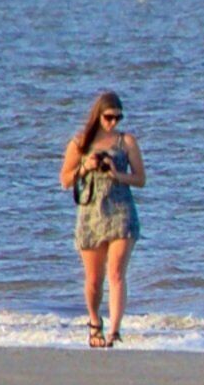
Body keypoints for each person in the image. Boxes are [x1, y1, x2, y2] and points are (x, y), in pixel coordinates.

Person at [58, 91, 144, 348]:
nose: (113, 123)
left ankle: (115, 331)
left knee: (117, 273)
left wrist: (118, 175)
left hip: (121, 211)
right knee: (94, 278)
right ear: (98, 115)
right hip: (91, 213)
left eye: (118, 118)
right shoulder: (80, 143)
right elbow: (65, 180)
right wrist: (86, 166)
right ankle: (95, 323)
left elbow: (141, 179)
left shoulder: (126, 142)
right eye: (108, 117)